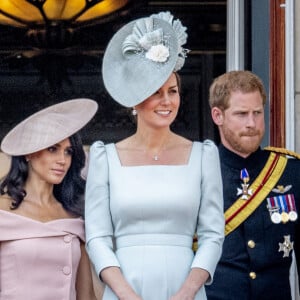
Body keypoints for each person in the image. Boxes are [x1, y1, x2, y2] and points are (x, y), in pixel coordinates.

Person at [85, 11, 224, 300]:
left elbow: (212, 235)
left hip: (185, 290)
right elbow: (97, 238)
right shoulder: (105, 158)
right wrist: (127, 295)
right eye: (156, 92)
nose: (167, 101)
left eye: (172, 91)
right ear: (135, 99)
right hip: (125, 290)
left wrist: (186, 293)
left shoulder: (203, 156)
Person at [205, 70, 300, 300]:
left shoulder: (289, 171)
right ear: (218, 115)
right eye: (241, 114)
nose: (252, 123)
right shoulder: (200, 170)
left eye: (257, 113)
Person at [0, 98, 98, 300]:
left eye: (68, 152)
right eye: (53, 149)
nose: (62, 160)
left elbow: (86, 296)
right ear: (28, 153)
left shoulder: (74, 217)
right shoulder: (2, 213)